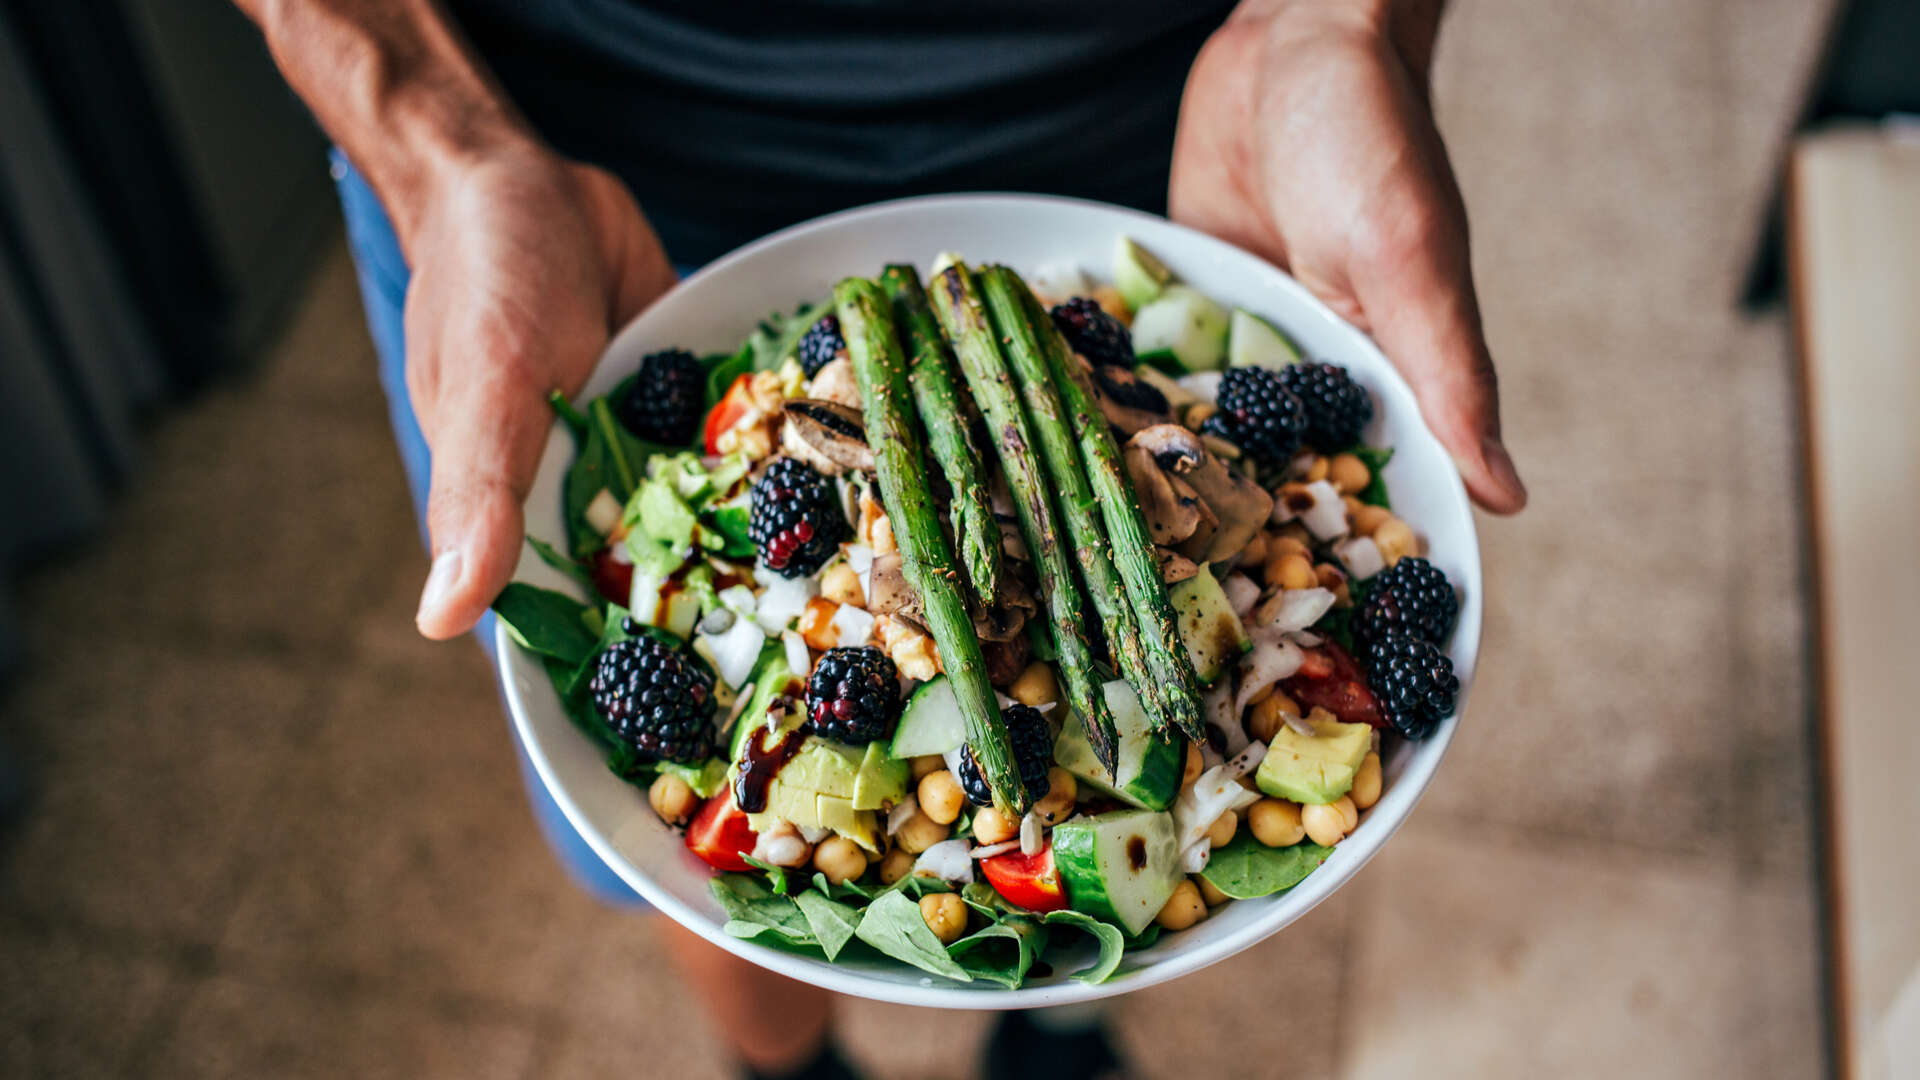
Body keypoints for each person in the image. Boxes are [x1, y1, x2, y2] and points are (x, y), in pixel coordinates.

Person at [235, 0, 1527, 1076]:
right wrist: (426, 128)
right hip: (554, 160)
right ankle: (787, 1068)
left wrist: (1340, 24)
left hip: (1167, 129)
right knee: (664, 853)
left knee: (1119, 873)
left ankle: (1053, 1031)